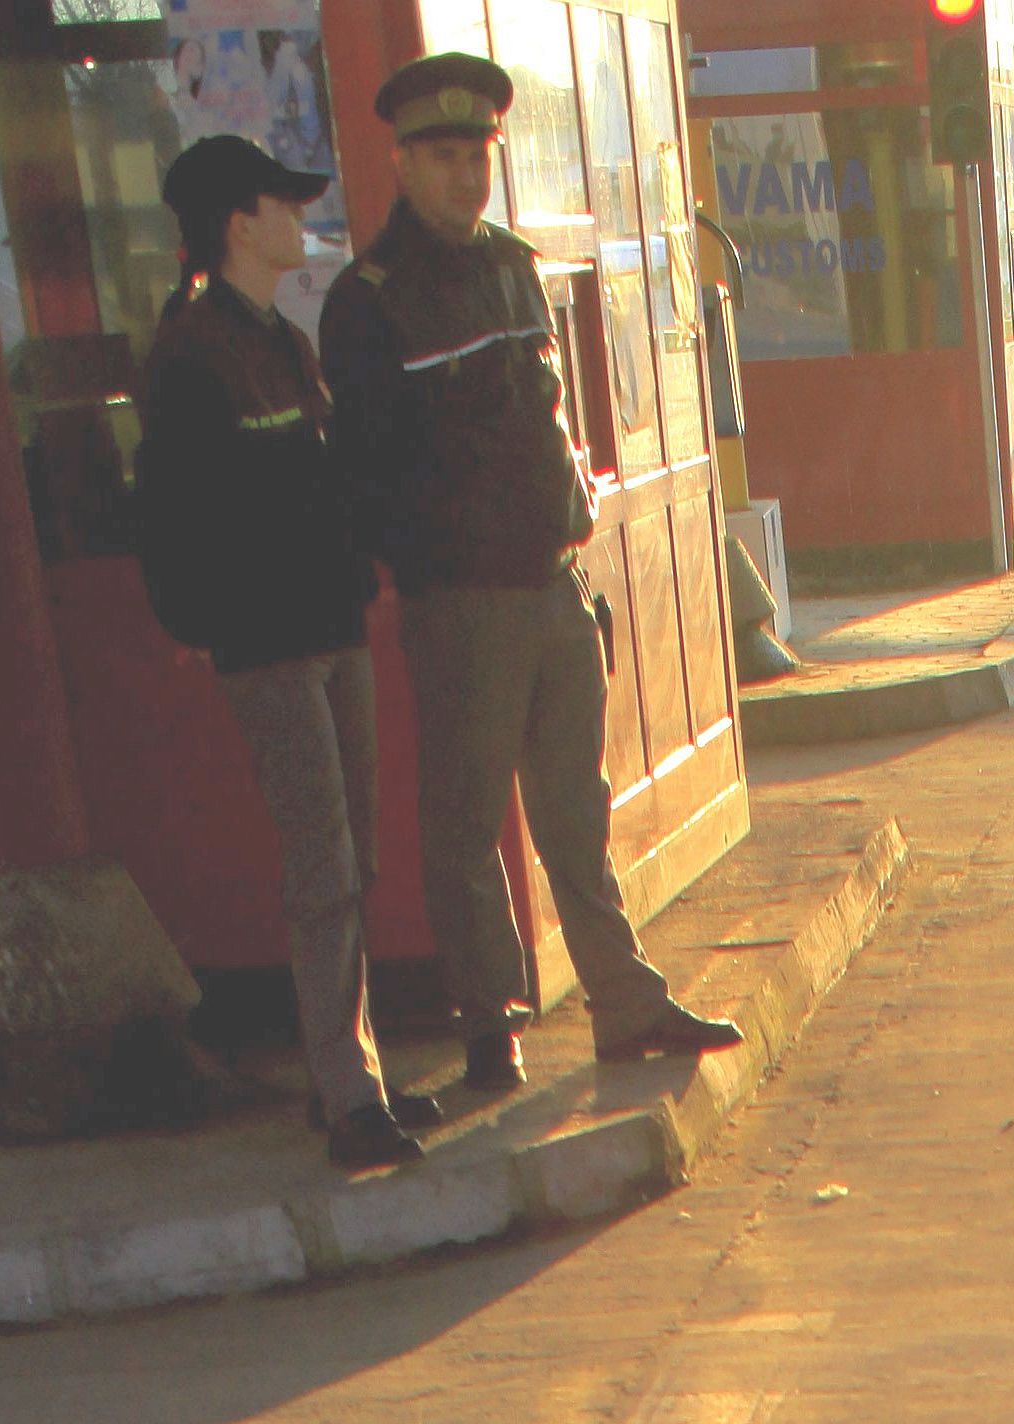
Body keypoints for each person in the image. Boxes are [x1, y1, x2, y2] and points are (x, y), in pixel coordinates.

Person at [320, 51, 740, 1094]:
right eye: (447, 157)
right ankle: (487, 1025)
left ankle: (624, 1003)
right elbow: (366, 470)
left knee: (573, 813)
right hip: (461, 600)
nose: (469, 177)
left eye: (480, 156)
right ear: (404, 165)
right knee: (466, 825)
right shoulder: (370, 301)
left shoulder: (513, 267)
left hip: (553, 584)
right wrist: (435, 553)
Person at [135, 133, 439, 1172]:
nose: (299, 217)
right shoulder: (190, 353)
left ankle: (349, 1076)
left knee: (355, 860)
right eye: (281, 202)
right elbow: (174, 519)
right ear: (236, 223)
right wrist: (214, 623)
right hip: (268, 647)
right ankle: (348, 1098)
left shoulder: (280, 336)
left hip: (330, 627)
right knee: (322, 871)